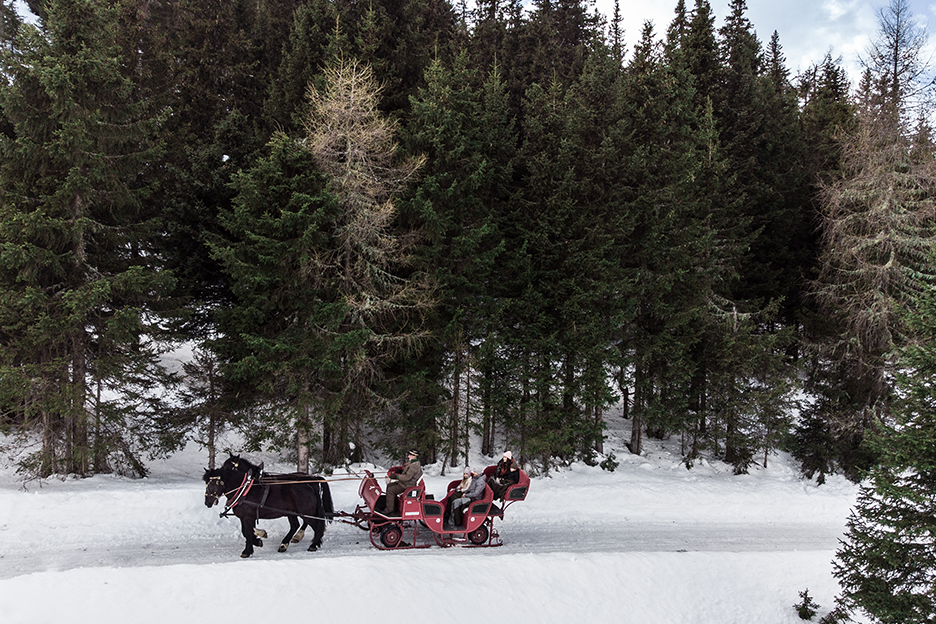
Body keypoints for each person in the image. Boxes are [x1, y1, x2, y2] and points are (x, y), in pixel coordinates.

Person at [382, 449, 422, 516]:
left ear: (414, 456)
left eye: (410, 455)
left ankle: (390, 509)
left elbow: (407, 477)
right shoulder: (412, 462)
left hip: (407, 485)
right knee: (389, 485)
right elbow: (406, 472)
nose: (408, 456)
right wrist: (399, 471)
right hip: (404, 483)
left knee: (391, 490)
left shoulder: (414, 465)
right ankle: (392, 504)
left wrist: (395, 476)